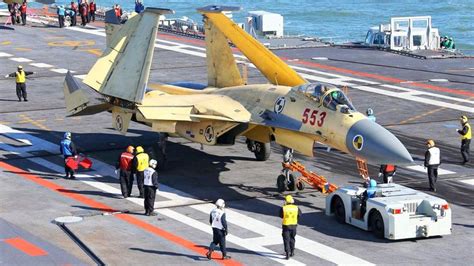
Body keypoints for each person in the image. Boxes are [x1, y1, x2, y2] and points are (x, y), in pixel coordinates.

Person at [279, 195, 301, 260]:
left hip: (286, 226)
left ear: (286, 201)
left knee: (286, 240)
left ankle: (287, 253)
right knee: (292, 239)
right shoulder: (296, 208)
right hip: (294, 226)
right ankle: (292, 252)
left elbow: (281, 215)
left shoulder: (284, 208)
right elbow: (299, 215)